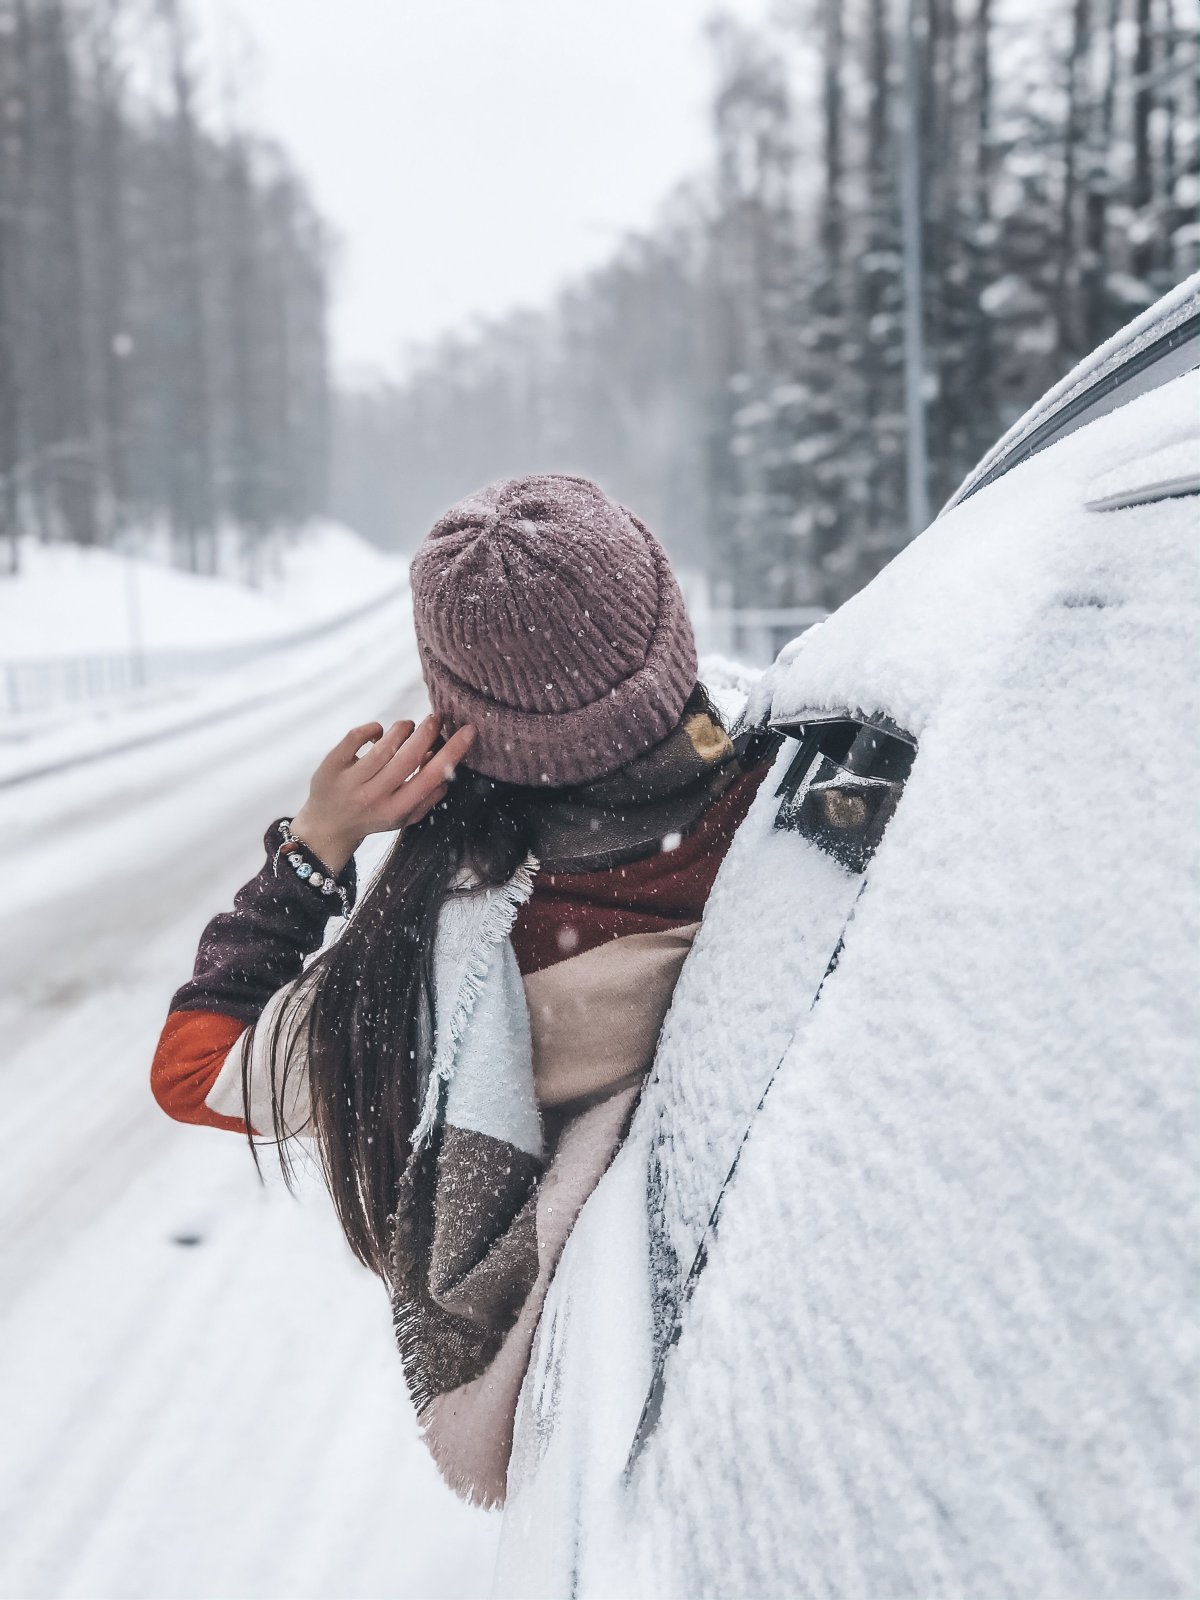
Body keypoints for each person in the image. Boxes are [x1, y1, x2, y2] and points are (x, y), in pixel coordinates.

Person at [150, 473, 774, 1505]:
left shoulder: (460, 967)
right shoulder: (808, 780)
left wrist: (318, 848)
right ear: (671, 625)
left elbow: (196, 1069)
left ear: (461, 719)